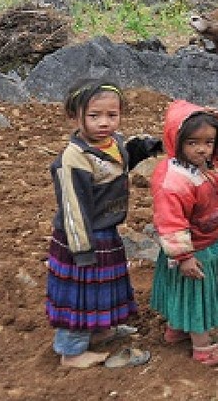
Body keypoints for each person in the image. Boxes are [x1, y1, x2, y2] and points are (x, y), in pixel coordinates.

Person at [46, 79, 161, 369]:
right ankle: (71, 352)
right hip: (82, 238)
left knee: (102, 286)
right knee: (80, 293)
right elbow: (73, 208)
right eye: (94, 116)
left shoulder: (112, 144)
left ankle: (102, 329)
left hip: (104, 232)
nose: (104, 123)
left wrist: (147, 148)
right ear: (76, 116)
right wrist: (82, 250)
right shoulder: (73, 160)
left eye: (112, 115)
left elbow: (123, 160)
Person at [149, 99, 218, 366]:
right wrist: (184, 256)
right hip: (195, 248)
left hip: (202, 239)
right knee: (197, 293)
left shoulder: (201, 164)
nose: (202, 149)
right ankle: (204, 348)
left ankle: (178, 328)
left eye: (209, 142)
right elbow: (171, 223)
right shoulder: (174, 181)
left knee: (184, 290)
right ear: (176, 142)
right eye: (193, 143)